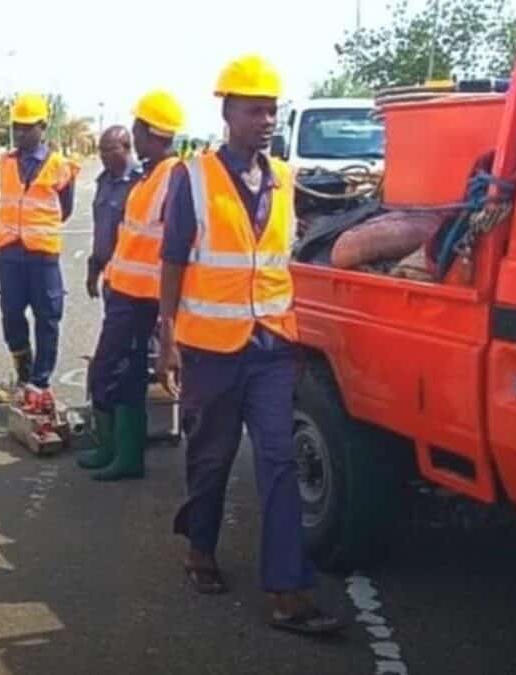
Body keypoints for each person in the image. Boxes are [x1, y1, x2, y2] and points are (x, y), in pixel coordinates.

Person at [155, 55, 343, 634]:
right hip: (212, 348)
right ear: (228, 113)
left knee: (278, 460)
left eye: (271, 111)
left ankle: (289, 590)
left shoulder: (284, 178)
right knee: (210, 457)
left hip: (271, 347)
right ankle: (200, 549)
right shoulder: (192, 178)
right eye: (254, 111)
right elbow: (173, 259)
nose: (266, 121)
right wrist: (167, 335)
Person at [78, 91, 185, 481]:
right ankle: (114, 449)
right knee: (118, 371)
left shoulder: (172, 178)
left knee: (120, 371)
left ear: (151, 132)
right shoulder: (150, 176)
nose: (135, 137)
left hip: (143, 298)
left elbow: (175, 246)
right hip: (125, 292)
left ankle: (126, 456)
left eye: (137, 129)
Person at [0, 92, 81, 413]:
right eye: (17, 126)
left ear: (43, 126)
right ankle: (24, 374)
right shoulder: (6, 162)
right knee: (12, 315)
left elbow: (65, 208)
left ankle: (40, 381)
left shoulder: (60, 166)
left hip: (42, 254)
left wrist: (38, 228)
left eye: (28, 127)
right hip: (9, 252)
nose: (21, 133)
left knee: (48, 317)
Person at [86, 125, 140, 300]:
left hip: (135, 281)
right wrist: (94, 266)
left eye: (110, 150)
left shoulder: (141, 181)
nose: (103, 155)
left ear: (127, 148)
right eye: (101, 150)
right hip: (110, 278)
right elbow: (101, 229)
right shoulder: (104, 181)